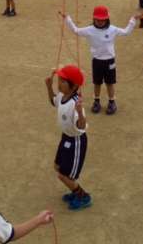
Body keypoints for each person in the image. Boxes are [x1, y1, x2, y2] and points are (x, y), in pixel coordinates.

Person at [62, 6, 138, 115]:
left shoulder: (112, 29)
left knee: (110, 83)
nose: (100, 22)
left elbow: (126, 32)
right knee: (97, 83)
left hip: (110, 61)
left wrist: (133, 20)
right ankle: (96, 101)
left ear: (107, 19)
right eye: (97, 19)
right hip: (97, 61)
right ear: (94, 19)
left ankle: (112, 102)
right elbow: (76, 30)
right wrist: (67, 18)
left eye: (102, 19)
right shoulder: (89, 30)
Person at [45, 65, 91, 210]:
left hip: (76, 141)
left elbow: (81, 126)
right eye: (59, 80)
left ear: (74, 86)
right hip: (65, 138)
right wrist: (49, 87)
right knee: (58, 167)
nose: (59, 83)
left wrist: (80, 112)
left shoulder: (75, 103)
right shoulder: (62, 96)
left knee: (64, 175)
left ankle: (83, 196)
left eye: (63, 81)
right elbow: (53, 101)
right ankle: (74, 190)